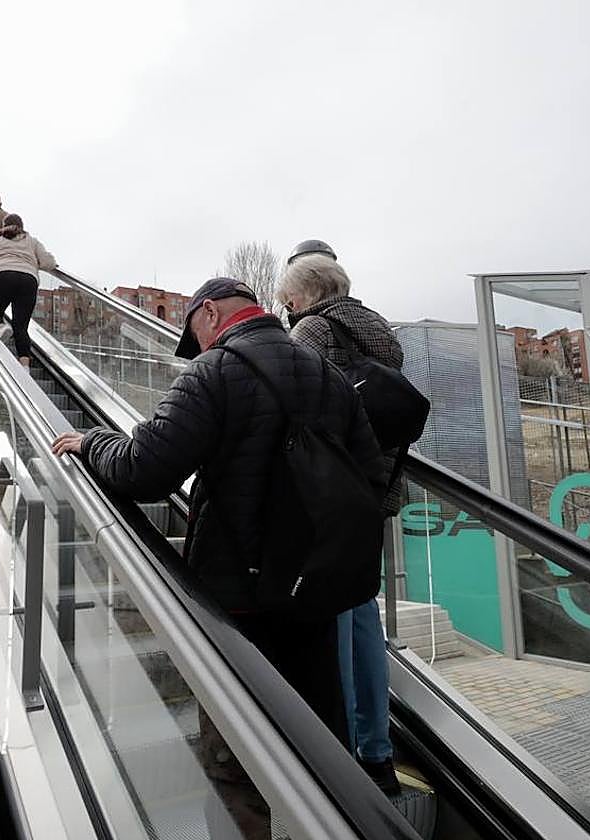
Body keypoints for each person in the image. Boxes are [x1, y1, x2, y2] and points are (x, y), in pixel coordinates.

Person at [52, 277, 387, 836]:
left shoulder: (216, 371)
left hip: (240, 601)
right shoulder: (326, 375)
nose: (198, 348)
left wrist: (91, 443)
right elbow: (371, 477)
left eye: (196, 335)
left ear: (207, 314)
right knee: (318, 743)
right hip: (315, 593)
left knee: (235, 756)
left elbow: (145, 469)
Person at [276, 249, 403, 795]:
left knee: (333, 619)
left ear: (302, 297)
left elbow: (290, 402)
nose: (285, 310)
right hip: (378, 488)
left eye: (286, 301)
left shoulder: (311, 330)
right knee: (362, 613)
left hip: (331, 492)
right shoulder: (379, 329)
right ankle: (378, 750)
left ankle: (343, 756)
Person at [0, 214, 55, 368]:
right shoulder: (32, 241)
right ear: (22, 226)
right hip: (29, 280)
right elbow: (49, 262)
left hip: (3, 276)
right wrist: (31, 263)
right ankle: (25, 367)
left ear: (3, 225)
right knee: (21, 327)